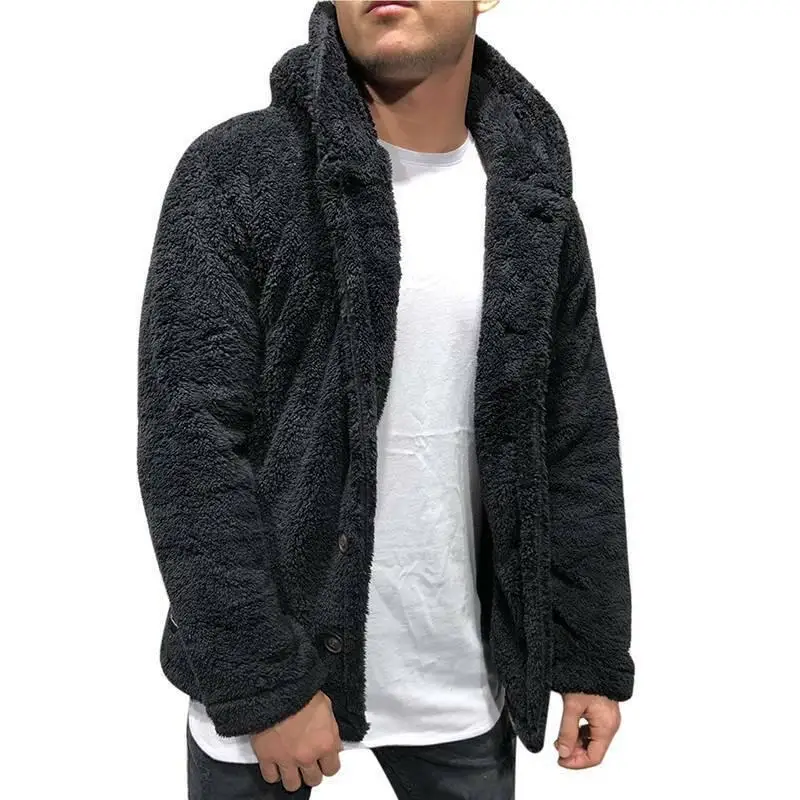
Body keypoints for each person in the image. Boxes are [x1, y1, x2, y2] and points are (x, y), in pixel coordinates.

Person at [136, 1, 635, 797]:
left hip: (462, 685)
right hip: (268, 693)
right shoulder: (238, 172)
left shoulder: (529, 195)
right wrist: (265, 684)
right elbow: (188, 447)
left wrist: (586, 652)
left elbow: (572, 433)